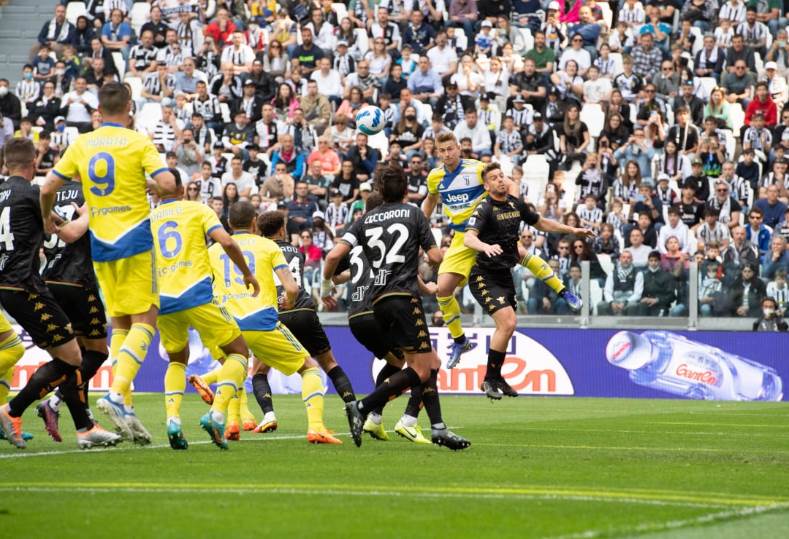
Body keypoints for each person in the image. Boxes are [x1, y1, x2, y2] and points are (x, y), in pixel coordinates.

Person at [42, 82, 176, 441]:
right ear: (129, 106)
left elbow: (46, 188)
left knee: (119, 324)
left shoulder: (82, 143)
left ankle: (123, 400)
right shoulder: (138, 141)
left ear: (99, 109)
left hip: (100, 245)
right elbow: (168, 182)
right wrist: (156, 186)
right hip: (134, 239)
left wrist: (46, 218)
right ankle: (117, 394)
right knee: (146, 317)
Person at [323, 163, 469, 450]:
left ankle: (435, 427)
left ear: (379, 190)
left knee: (426, 364)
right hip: (404, 297)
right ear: (405, 190)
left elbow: (333, 256)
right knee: (422, 369)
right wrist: (463, 250)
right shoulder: (413, 213)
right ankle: (366, 407)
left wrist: (327, 286)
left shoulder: (365, 220)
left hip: (378, 302)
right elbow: (437, 257)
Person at [422, 133, 581, 369]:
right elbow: (430, 200)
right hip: (461, 237)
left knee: (522, 254)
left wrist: (511, 207)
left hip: (489, 228)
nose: (447, 154)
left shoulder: (477, 169)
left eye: (450, 149)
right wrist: (417, 224)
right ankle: (460, 340)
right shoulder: (435, 177)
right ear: (437, 152)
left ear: (459, 148)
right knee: (443, 290)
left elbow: (509, 183)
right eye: (442, 150)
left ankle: (563, 291)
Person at [0, 138, 119, 450]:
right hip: (26, 285)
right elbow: (67, 233)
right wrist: (89, 214)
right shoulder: (35, 194)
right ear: (33, 162)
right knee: (73, 358)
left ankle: (84, 427)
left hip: (13, 285)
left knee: (66, 355)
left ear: (5, 164)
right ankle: (11, 410)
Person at [206, 202, 342, 445]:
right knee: (309, 368)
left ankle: (217, 413)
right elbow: (291, 287)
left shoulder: (213, 251)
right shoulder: (267, 246)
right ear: (254, 222)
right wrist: (288, 302)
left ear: (228, 224)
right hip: (260, 323)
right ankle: (316, 427)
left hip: (227, 326)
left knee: (236, 366)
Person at [149, 170, 259, 450]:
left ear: (157, 193)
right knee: (239, 352)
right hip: (196, 294)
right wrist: (247, 273)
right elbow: (227, 241)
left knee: (177, 360)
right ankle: (217, 413)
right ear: (183, 188)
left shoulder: (148, 219)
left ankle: (172, 419)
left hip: (164, 299)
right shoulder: (198, 209)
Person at [463, 163, 593, 399]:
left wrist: (572, 230)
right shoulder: (484, 208)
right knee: (508, 322)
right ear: (486, 185)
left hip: (504, 275)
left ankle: (496, 376)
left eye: (501, 176)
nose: (500, 180)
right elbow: (469, 239)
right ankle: (490, 379)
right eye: (494, 178)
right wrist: (485, 246)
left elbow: (542, 222)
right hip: (484, 275)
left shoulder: (515, 204)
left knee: (508, 326)